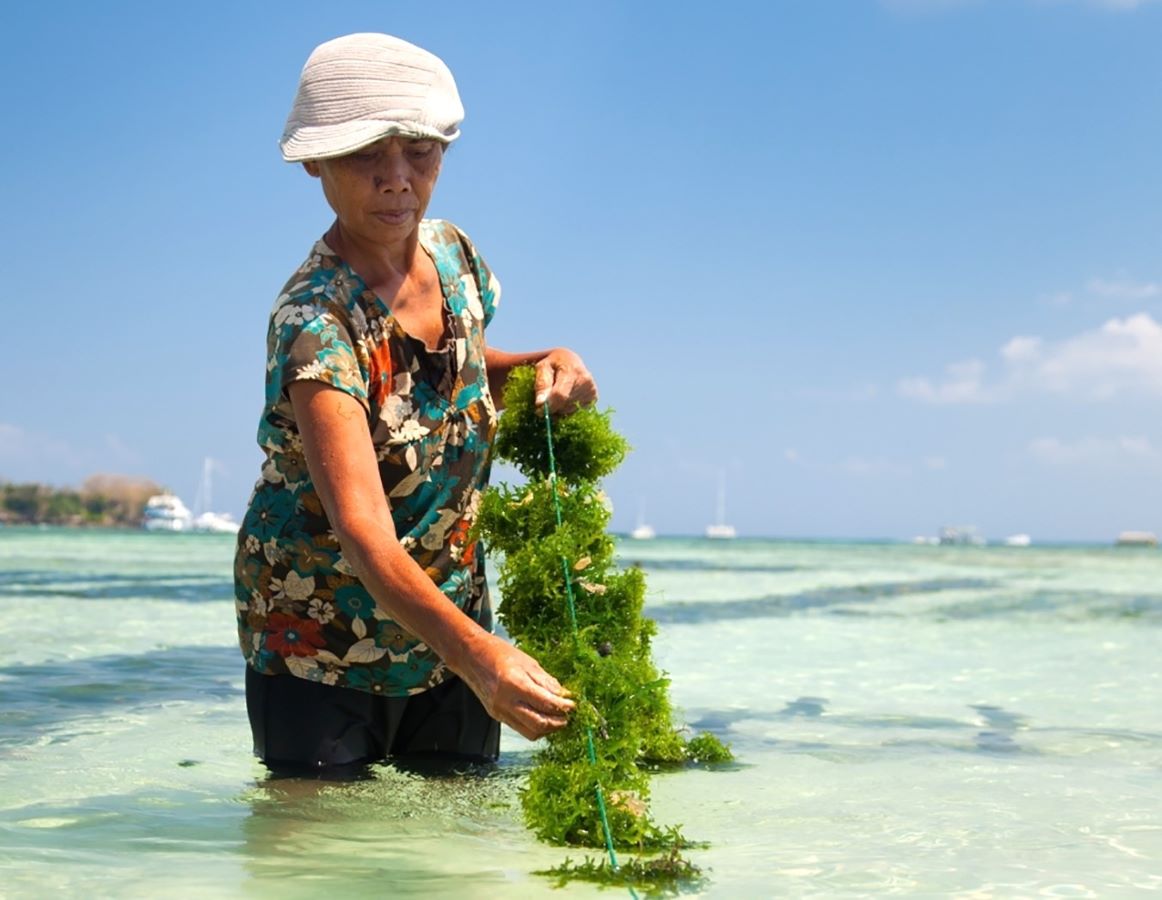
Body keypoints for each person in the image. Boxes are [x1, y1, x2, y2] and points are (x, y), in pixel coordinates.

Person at [234, 32, 597, 776]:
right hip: (320, 636)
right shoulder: (316, 325)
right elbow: (364, 532)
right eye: (368, 154)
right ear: (315, 161)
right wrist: (483, 657)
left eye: (420, 152)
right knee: (324, 868)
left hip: (450, 613)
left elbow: (449, 373)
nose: (398, 179)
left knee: (452, 859)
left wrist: (543, 364)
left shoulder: (456, 256)